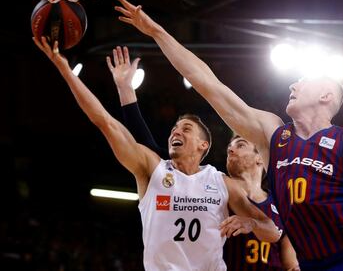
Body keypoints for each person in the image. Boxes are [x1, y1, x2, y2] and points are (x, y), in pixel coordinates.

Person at [114, 0, 343, 270]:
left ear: (326, 95)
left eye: (302, 82)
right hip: (313, 264)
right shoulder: (273, 135)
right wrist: (156, 31)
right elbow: (208, 84)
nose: (292, 86)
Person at [32, 36, 282, 271]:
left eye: (186, 129)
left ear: (203, 145)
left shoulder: (222, 183)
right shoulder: (152, 169)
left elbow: (273, 231)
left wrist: (251, 223)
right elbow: (105, 122)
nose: (176, 132)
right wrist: (66, 71)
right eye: (174, 129)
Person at [106, 45, 300, 271]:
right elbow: (146, 149)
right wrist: (126, 91)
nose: (231, 150)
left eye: (240, 143)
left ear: (261, 157)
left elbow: (288, 250)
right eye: (229, 146)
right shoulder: (216, 184)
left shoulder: (277, 200)